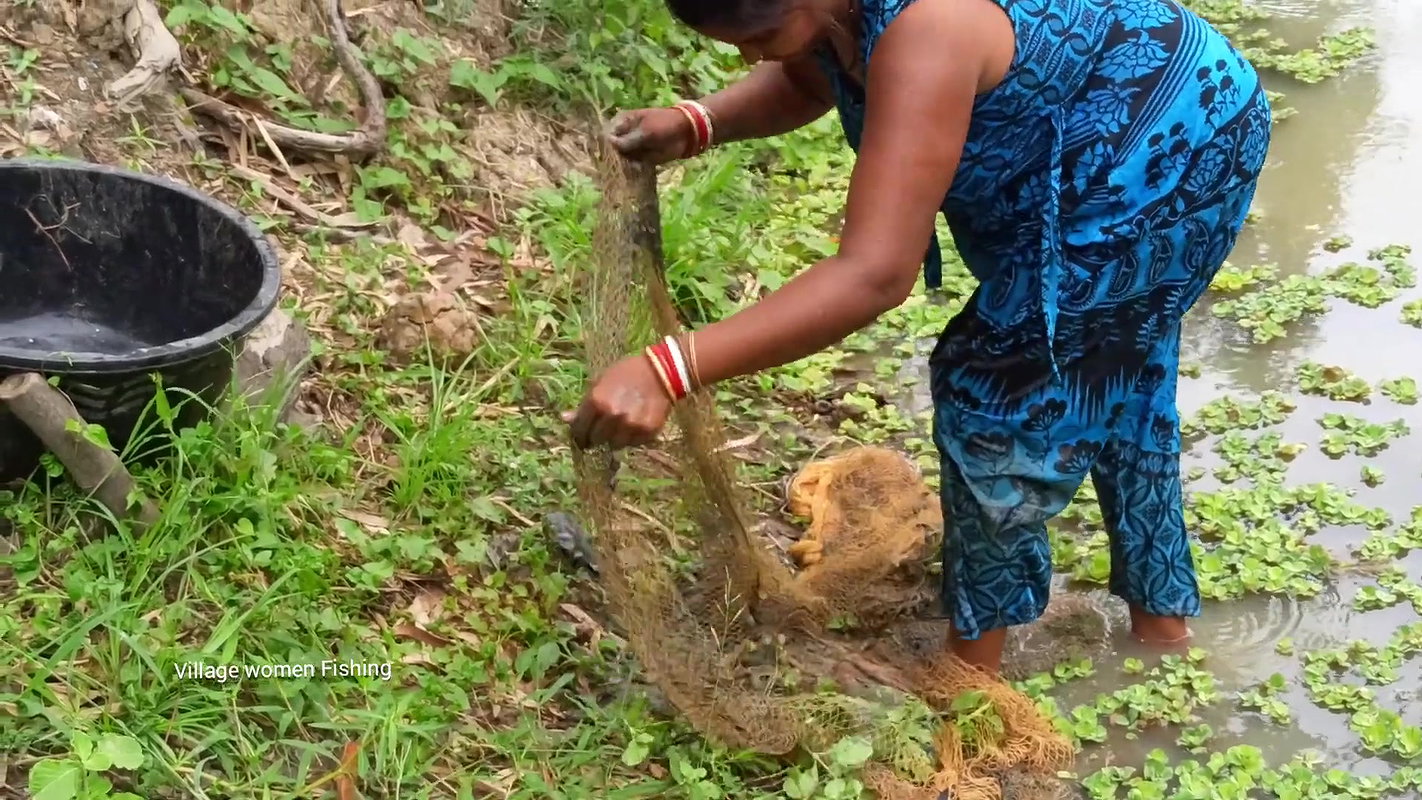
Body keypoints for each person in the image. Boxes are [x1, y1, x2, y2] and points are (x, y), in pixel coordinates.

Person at [564, 0, 1271, 674]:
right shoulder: (835, 17)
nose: (748, 53)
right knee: (1108, 365)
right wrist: (697, 122)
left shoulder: (930, 27)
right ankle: (1160, 628)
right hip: (1087, 135)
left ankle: (972, 679)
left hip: (1169, 137)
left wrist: (669, 367)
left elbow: (873, 274)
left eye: (762, 30)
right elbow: (812, 71)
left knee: (998, 387)